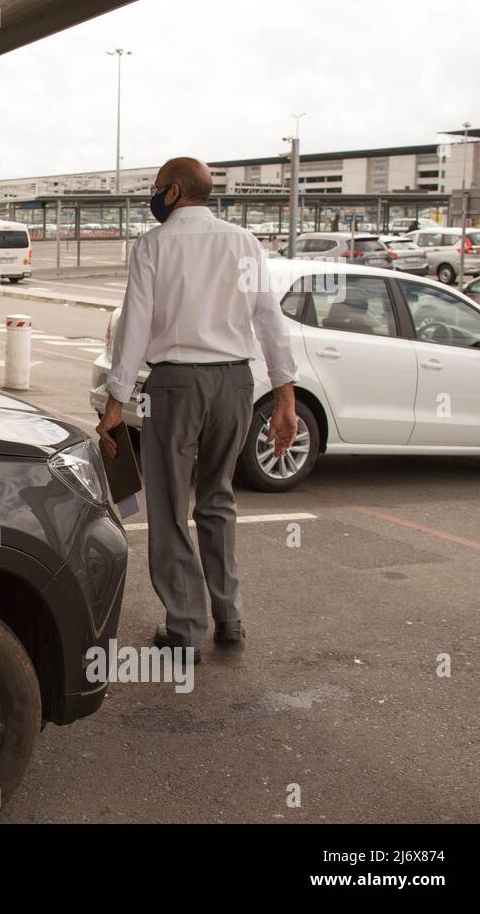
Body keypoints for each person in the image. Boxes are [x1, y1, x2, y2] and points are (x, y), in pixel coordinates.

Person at [96, 158, 299, 659]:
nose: (154, 194)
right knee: (219, 500)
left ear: (177, 189)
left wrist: (114, 404)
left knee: (168, 510)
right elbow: (270, 321)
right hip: (234, 384)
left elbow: (135, 328)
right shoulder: (244, 242)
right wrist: (285, 397)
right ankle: (229, 616)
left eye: (158, 187)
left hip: (175, 387)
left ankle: (184, 630)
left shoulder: (154, 245)